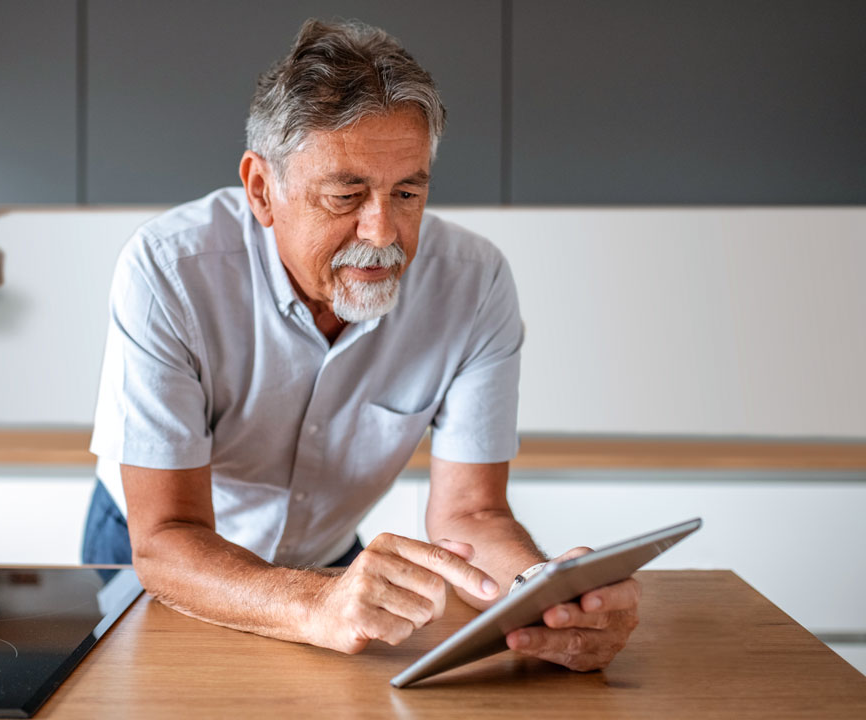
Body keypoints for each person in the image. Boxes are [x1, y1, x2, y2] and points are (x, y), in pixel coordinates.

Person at [84, 18, 639, 671]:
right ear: (263, 189)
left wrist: (542, 596)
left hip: (324, 559)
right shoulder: (169, 271)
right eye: (347, 194)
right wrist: (310, 605)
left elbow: (472, 514)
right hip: (165, 550)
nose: (383, 233)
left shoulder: (476, 283)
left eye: (408, 192)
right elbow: (168, 539)